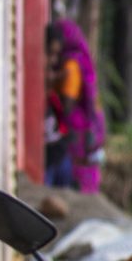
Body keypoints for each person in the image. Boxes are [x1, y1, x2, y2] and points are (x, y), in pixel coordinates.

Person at [43, 18, 105, 193]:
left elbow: (67, 104)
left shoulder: (70, 65)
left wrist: (53, 83)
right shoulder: (79, 60)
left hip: (73, 130)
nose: (54, 58)